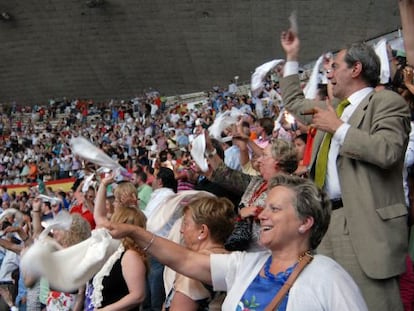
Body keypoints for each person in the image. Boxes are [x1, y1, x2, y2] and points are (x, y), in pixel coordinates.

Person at [279, 28, 410, 310]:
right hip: (326, 222)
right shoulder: (334, 110)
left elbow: (387, 151)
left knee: (373, 304)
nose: (329, 72)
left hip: (363, 224)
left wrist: (339, 129)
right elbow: (292, 102)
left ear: (356, 69)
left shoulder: (386, 102)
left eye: (335, 66)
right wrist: (291, 57)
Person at [105, 174, 368, 311]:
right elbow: (184, 259)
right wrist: (133, 231)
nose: (262, 214)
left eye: (274, 209)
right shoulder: (247, 264)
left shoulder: (329, 277)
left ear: (305, 222)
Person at [84, 176, 147, 311]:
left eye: (116, 200)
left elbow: (138, 295)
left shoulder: (130, 255)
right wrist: (103, 184)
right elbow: (99, 217)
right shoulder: (114, 249)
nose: (113, 204)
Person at [164, 196, 234, 311]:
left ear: (202, 231)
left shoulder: (193, 269)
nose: (181, 230)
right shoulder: (233, 259)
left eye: (185, 224)